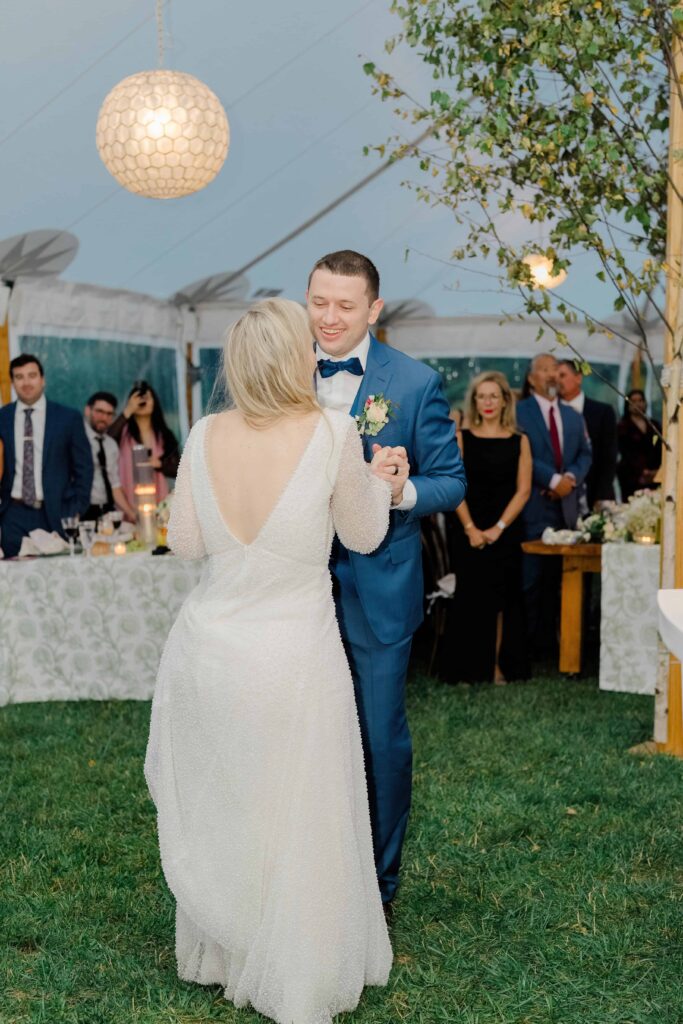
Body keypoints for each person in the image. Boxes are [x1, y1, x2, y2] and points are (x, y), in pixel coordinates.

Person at [145, 298, 406, 1024]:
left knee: (232, 796)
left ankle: (225, 948)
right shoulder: (331, 431)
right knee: (300, 805)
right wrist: (380, 482)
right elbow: (359, 537)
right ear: (296, 357)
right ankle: (294, 961)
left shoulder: (201, 432)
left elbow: (188, 543)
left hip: (211, 650)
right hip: (292, 651)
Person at [307, 250, 466, 910]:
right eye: (318, 302)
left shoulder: (411, 382)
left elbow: (449, 481)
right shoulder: (281, 370)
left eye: (346, 306)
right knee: (303, 730)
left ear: (374, 308)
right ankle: (309, 865)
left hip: (378, 584)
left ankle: (377, 883)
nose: (329, 319)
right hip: (294, 584)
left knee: (378, 735)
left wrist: (397, 492)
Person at [441, 371, 531, 684]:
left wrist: (498, 528)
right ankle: (466, 669)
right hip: (467, 526)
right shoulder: (461, 437)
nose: (488, 402)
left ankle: (495, 667)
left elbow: (523, 490)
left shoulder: (521, 440)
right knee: (470, 599)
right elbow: (454, 484)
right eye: (482, 396)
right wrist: (470, 528)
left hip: (504, 531)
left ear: (505, 400)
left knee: (502, 602)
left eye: (494, 396)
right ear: (474, 401)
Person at [516, 353, 592, 654]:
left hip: (566, 509)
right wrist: (551, 481)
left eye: (557, 372)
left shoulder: (574, 415)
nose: (553, 376)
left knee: (561, 579)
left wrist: (570, 479)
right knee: (530, 579)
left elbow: (586, 453)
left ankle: (555, 644)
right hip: (532, 506)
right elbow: (520, 452)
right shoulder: (520, 412)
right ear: (532, 377)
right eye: (546, 370)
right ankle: (528, 646)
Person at [0, 354, 92, 557]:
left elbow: (84, 467)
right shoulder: (2, 418)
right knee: (13, 580)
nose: (26, 382)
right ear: (13, 382)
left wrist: (76, 508)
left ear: (43, 379)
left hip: (56, 512)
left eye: (32, 375)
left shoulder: (68, 418)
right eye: (19, 377)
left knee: (59, 578)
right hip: (12, 514)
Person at [108, 380, 180, 509]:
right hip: (126, 505)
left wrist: (160, 464)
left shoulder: (164, 434)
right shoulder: (122, 432)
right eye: (138, 398)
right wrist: (128, 410)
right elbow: (107, 441)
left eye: (147, 397)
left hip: (159, 502)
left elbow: (179, 469)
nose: (142, 401)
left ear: (154, 403)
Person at [557, 359, 618, 508]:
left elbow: (609, 457)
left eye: (563, 375)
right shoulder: (551, 413)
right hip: (559, 496)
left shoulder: (602, 412)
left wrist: (601, 496)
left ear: (578, 378)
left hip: (595, 494)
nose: (557, 381)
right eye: (555, 377)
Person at [83, 391, 136, 523]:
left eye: (109, 414)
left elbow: (114, 484)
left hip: (107, 511)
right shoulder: (76, 439)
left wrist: (132, 514)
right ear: (87, 410)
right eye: (99, 411)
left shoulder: (110, 445)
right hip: (82, 510)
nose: (103, 418)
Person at [617, 388, 662, 501]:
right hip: (631, 477)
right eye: (634, 400)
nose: (638, 403)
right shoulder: (622, 427)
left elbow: (660, 449)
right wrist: (642, 472)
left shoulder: (654, 425)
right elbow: (625, 452)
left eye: (641, 400)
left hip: (654, 476)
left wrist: (655, 472)